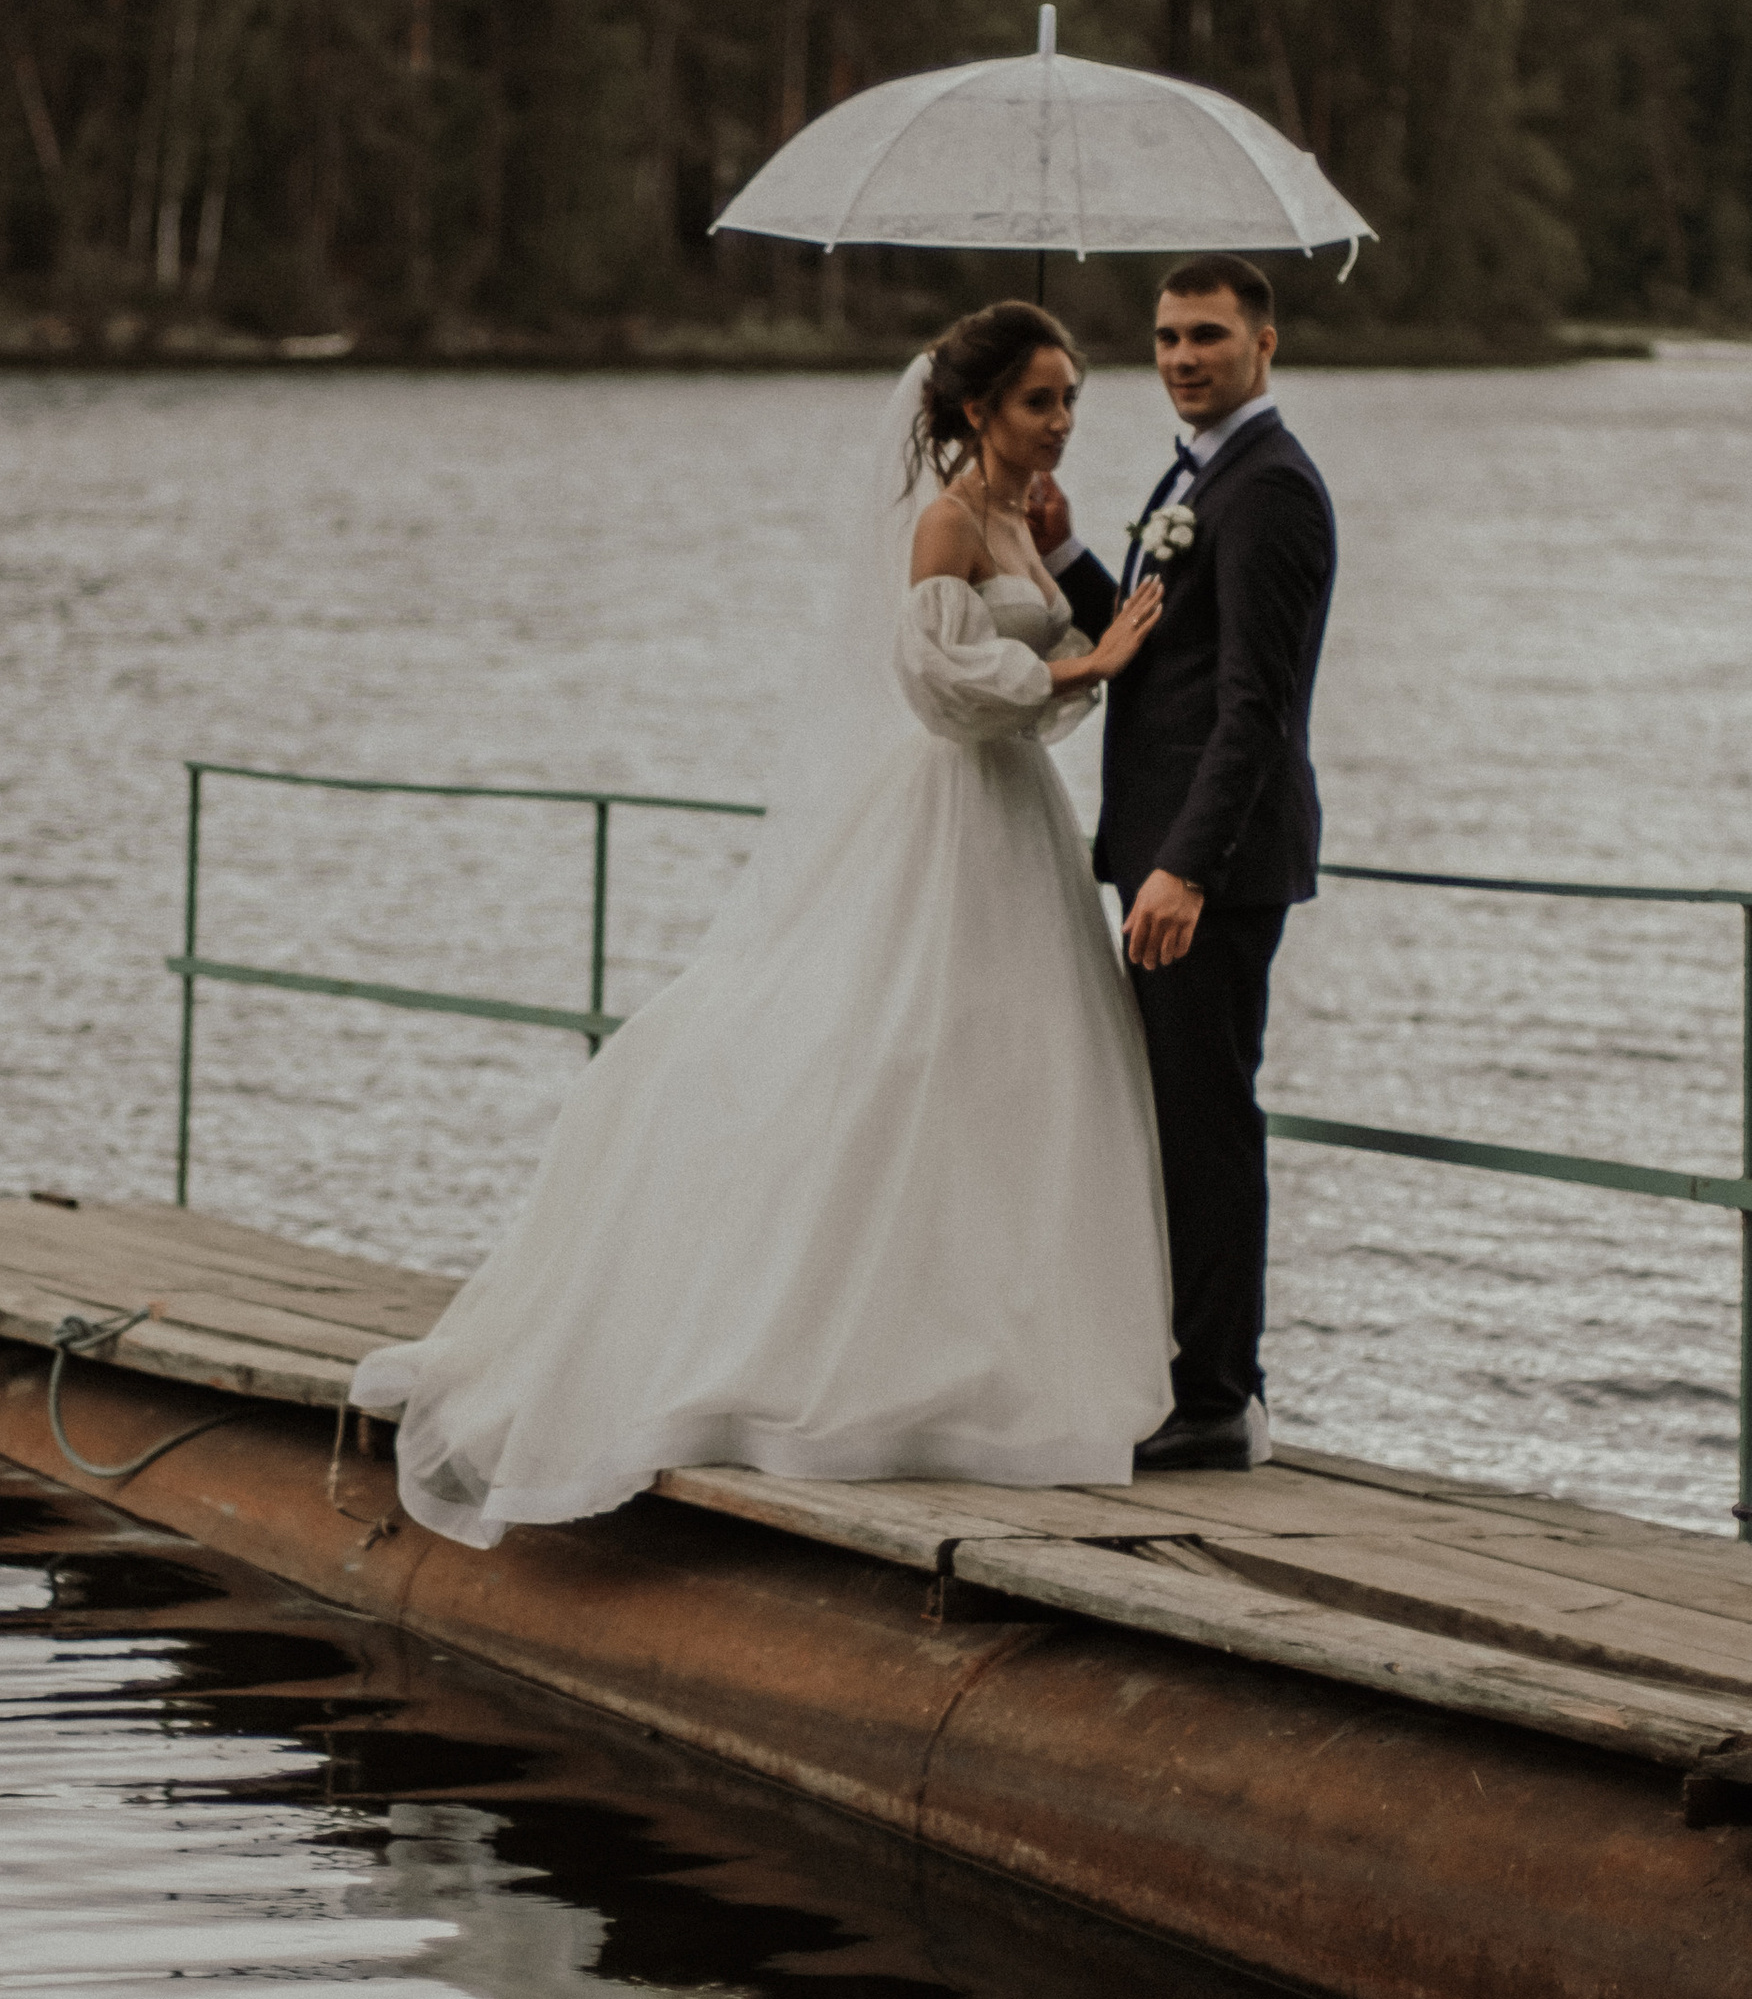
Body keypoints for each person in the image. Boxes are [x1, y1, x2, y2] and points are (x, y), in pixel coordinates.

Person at [350, 303, 1175, 1549]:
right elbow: (940, 686)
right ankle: (833, 1346)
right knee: (901, 1050)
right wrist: (1083, 668)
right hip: (949, 809)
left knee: (1020, 1069)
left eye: (1070, 400)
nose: (1061, 421)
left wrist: (1068, 598)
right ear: (976, 411)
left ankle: (992, 1340)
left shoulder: (1023, 518)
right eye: (1037, 400)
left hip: (1018, 818)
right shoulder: (949, 520)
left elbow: (1035, 678)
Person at [1040, 254, 1337, 1471]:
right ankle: (1182, 1374)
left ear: (1264, 343)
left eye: (1206, 335)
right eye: (1165, 337)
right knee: (1170, 1118)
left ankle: (1218, 1396)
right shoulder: (1195, 474)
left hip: (1209, 871)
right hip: (1166, 859)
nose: (1180, 357)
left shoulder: (1270, 488)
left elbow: (1255, 706)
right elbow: (1160, 654)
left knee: (1207, 1124)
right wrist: (1066, 553)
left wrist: (1188, 869)